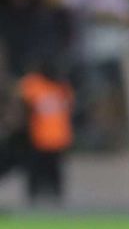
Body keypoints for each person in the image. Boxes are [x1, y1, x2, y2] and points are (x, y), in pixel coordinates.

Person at [19, 60, 75, 205]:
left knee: (54, 174)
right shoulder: (34, 84)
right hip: (39, 138)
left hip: (56, 139)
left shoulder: (61, 87)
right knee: (36, 172)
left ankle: (55, 202)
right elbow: (24, 104)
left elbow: (68, 107)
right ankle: (34, 200)